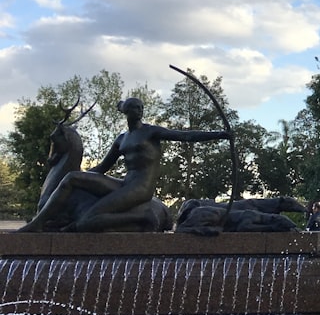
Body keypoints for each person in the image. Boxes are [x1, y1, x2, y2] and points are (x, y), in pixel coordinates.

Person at [20, 97, 230, 233]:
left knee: (86, 221)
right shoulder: (122, 139)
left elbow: (186, 136)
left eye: (141, 107)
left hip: (140, 188)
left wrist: (220, 134)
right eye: (135, 107)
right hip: (124, 183)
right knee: (72, 178)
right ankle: (39, 222)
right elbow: (102, 168)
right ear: (127, 112)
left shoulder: (151, 132)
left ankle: (141, 216)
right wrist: (85, 179)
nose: (139, 110)